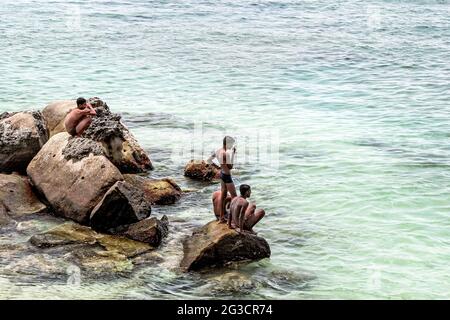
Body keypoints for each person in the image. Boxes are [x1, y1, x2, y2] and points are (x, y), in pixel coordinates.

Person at [207, 136, 237, 224]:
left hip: (222, 174)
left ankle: (221, 218)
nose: (231, 146)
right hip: (227, 176)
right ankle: (232, 220)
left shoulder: (218, 151)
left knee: (223, 196)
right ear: (227, 143)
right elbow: (230, 166)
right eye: (231, 144)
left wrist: (218, 167)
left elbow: (209, 160)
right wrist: (233, 154)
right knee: (234, 197)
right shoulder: (225, 154)